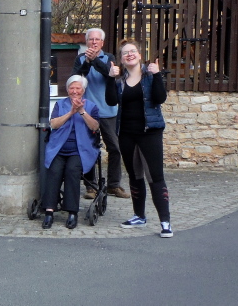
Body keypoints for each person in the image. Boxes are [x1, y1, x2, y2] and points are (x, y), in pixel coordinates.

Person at [106, 39, 173, 238]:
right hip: (126, 134)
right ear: (121, 59)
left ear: (140, 55)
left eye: (133, 51)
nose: (130, 54)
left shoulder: (150, 75)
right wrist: (110, 78)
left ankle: (165, 222)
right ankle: (139, 216)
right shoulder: (119, 80)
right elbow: (111, 101)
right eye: (125, 52)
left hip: (149, 133)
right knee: (135, 176)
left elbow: (160, 98)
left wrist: (157, 74)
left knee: (155, 177)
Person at [73, 28, 129, 200]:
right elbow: (76, 79)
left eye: (97, 39)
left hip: (108, 111)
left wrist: (94, 60)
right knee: (88, 148)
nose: (94, 42)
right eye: (91, 39)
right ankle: (91, 186)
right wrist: (87, 61)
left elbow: (108, 74)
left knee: (115, 148)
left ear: (102, 43)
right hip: (87, 112)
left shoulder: (109, 58)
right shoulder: (80, 59)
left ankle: (113, 185)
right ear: (86, 42)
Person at [42, 75, 100, 230]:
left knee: (72, 171)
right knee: (54, 171)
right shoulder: (60, 104)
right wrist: (70, 113)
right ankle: (49, 211)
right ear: (67, 90)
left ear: (83, 90)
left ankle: (72, 212)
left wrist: (81, 111)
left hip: (80, 150)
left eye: (78, 88)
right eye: (71, 88)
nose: (74, 91)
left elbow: (95, 127)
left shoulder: (91, 106)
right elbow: (54, 124)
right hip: (59, 148)